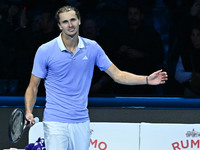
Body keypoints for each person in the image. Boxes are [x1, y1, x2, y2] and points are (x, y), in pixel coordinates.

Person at [24, 5, 168, 150]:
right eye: (65, 22)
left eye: (73, 20)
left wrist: (147, 79)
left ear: (79, 21)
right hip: (55, 122)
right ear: (59, 25)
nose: (70, 24)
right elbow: (33, 86)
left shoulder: (92, 47)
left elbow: (117, 75)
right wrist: (29, 111)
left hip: (81, 122)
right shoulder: (45, 50)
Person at [115, 2, 165, 96]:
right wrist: (120, 51)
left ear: (141, 16)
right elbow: (111, 56)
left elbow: (160, 56)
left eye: (135, 14)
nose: (132, 16)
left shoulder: (151, 34)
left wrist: (141, 55)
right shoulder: (120, 34)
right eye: (130, 14)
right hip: (125, 82)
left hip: (146, 80)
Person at [175, 22, 200, 97]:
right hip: (191, 90)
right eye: (193, 35)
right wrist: (192, 75)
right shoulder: (185, 54)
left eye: (198, 35)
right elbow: (178, 75)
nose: (195, 38)